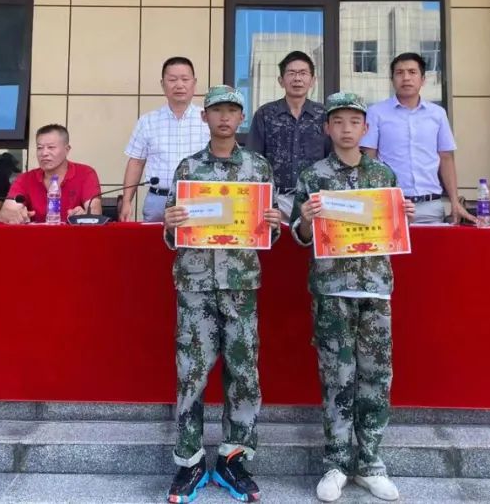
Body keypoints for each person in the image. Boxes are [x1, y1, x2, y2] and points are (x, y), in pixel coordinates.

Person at [291, 93, 415, 503]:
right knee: (336, 376)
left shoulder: (383, 174)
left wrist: (403, 217)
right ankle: (336, 463)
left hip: (375, 288)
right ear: (327, 128)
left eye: (354, 122)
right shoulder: (314, 176)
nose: (346, 129)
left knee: (376, 376)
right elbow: (299, 236)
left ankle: (370, 462)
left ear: (366, 128)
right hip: (332, 290)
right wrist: (306, 221)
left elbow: (393, 229)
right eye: (338, 122)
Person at [162, 85, 282, 504]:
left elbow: (269, 233)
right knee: (191, 373)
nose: (225, 118)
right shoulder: (189, 168)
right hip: (195, 284)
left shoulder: (258, 168)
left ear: (241, 117)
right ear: (205, 117)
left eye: (232, 111)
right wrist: (171, 223)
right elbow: (173, 235)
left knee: (243, 372)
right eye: (217, 111)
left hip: (240, 285)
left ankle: (234, 459)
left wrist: (272, 223)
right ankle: (190, 461)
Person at [360, 53, 472, 224]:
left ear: (423, 79)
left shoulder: (437, 114)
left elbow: (446, 158)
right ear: (392, 80)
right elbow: (369, 159)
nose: (406, 78)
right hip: (391, 204)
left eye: (412, 72)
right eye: (399, 73)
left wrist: (455, 201)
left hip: (430, 205)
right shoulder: (376, 112)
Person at [120, 57, 210, 223]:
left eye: (185, 79)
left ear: (194, 83)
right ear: (163, 84)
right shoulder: (147, 121)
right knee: (154, 240)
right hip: (158, 201)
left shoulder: (208, 120)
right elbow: (136, 163)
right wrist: (126, 201)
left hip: (199, 200)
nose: (179, 85)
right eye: (172, 80)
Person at [246, 50, 331, 219]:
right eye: (291, 73)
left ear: (312, 80)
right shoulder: (265, 114)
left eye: (303, 73)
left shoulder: (324, 115)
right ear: (281, 81)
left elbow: (332, 157)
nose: (297, 78)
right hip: (276, 201)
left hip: (314, 200)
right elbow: (253, 159)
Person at [0, 125, 102, 224]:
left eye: (51, 147)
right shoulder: (25, 179)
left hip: (74, 235)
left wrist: (84, 216)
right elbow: (5, 213)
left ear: (67, 150)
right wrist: (14, 215)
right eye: (40, 148)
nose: (44, 153)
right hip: (36, 235)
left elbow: (95, 212)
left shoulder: (85, 173)